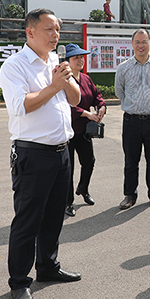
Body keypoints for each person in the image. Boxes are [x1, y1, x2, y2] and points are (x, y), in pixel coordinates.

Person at [0, 8, 82, 299]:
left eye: (58, 29)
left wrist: (65, 80)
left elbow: (76, 100)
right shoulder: (15, 66)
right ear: (30, 32)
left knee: (54, 215)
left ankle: (48, 266)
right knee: (27, 220)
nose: (55, 35)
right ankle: (19, 282)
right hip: (32, 154)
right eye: (49, 29)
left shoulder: (55, 62)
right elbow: (20, 106)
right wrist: (53, 86)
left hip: (62, 152)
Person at [115, 28, 150, 210]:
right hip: (132, 121)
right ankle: (130, 195)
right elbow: (119, 92)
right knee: (131, 161)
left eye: (144, 41)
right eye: (137, 42)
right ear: (132, 44)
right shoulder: (124, 68)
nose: (141, 45)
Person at [63, 43, 107, 217]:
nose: (80, 60)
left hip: (84, 132)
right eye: (76, 58)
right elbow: (64, 105)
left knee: (89, 161)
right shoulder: (63, 80)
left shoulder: (86, 79)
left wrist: (101, 106)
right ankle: (67, 202)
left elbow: (97, 96)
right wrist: (86, 113)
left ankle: (83, 188)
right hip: (67, 132)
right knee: (68, 168)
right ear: (67, 62)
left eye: (81, 57)